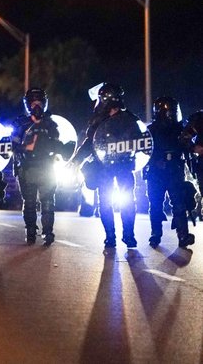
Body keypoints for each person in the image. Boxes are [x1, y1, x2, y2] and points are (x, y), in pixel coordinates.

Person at [70, 83, 142, 249]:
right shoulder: (98, 120)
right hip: (104, 167)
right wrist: (76, 159)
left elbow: (142, 141)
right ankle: (110, 236)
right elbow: (90, 143)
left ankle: (129, 234)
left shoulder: (130, 120)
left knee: (128, 202)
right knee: (105, 203)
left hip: (124, 165)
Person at [11, 88, 60, 245]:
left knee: (48, 201)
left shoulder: (51, 124)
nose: (37, 107)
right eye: (34, 103)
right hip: (27, 167)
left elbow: (56, 143)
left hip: (46, 166)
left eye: (39, 103)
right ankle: (30, 230)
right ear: (28, 105)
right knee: (30, 201)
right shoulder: (20, 123)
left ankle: (48, 232)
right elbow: (13, 145)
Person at [145, 96, 195, 248]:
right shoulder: (151, 130)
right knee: (155, 204)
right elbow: (145, 150)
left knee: (179, 204)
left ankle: (183, 235)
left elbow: (188, 148)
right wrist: (155, 161)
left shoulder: (180, 129)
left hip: (174, 168)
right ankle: (155, 234)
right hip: (156, 171)